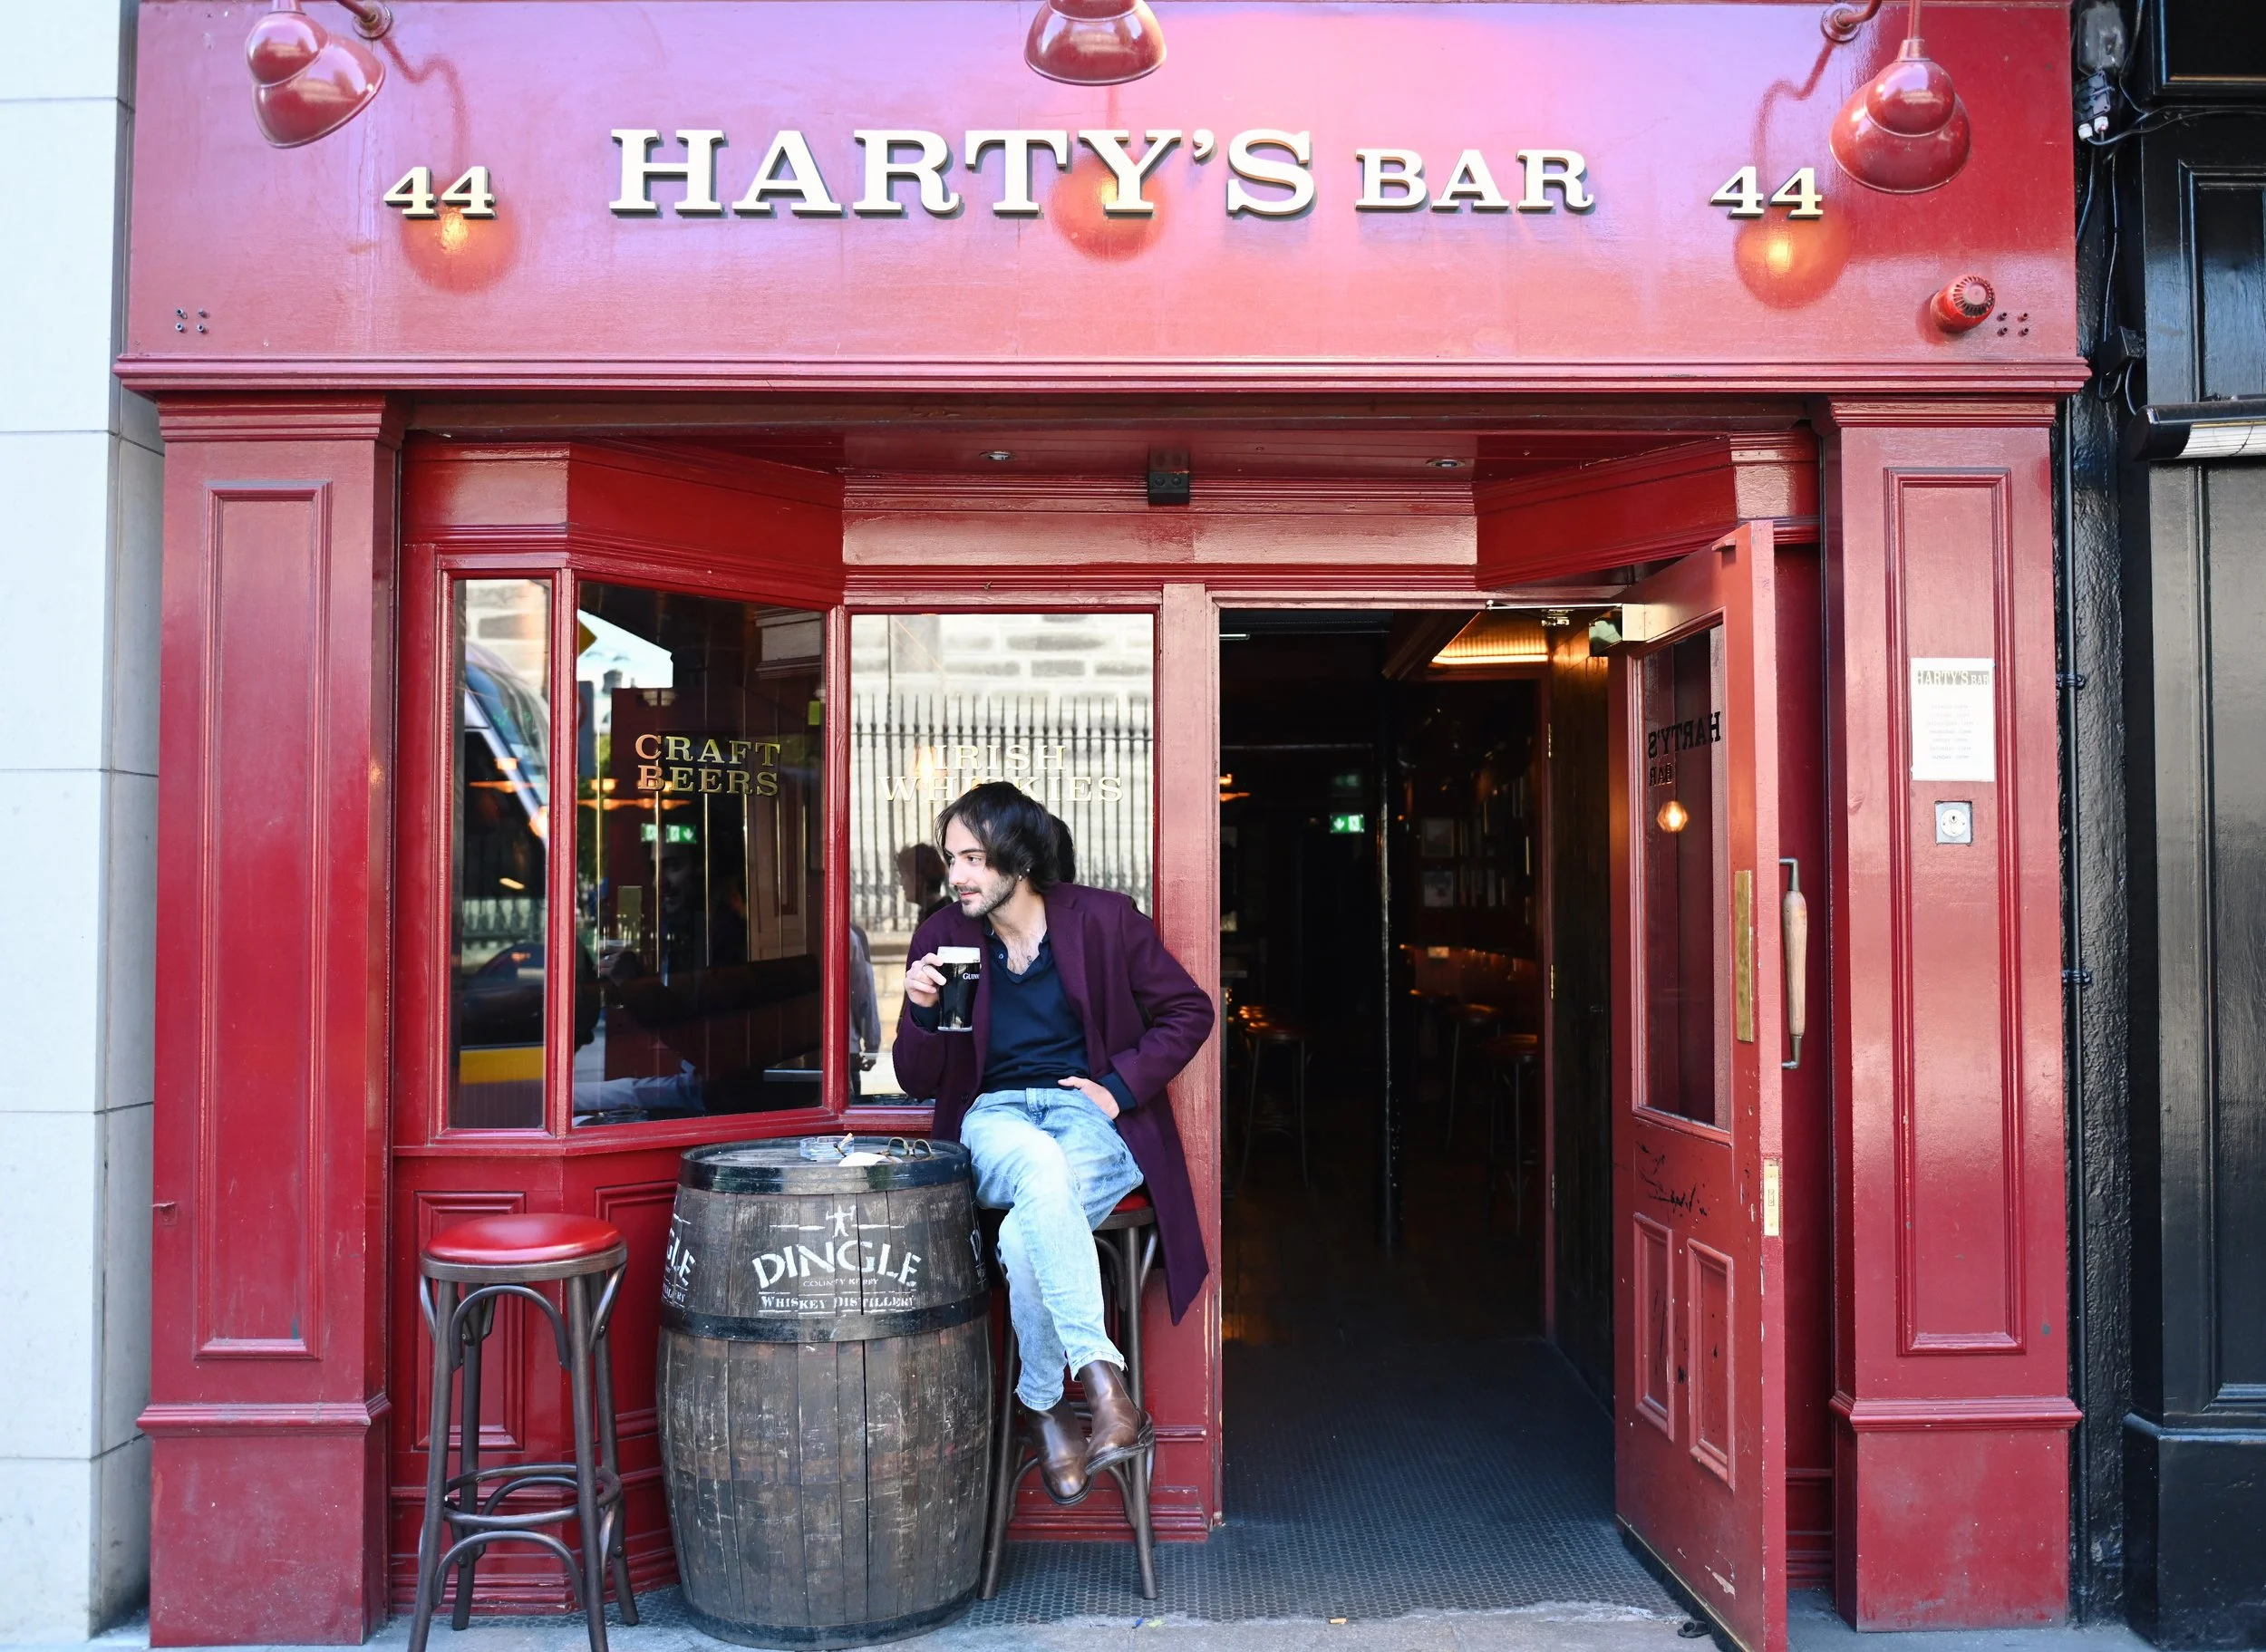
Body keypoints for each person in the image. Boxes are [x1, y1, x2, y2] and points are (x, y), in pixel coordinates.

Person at [894, 783, 1213, 1505]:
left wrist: (1120, 1085)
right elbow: (918, 1078)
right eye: (953, 859)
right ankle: (1106, 1387)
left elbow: (1190, 1009)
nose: (959, 875)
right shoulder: (943, 935)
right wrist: (916, 1014)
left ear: (1019, 857)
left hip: (1089, 1115)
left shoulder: (1101, 919)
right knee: (1039, 1169)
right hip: (995, 1118)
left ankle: (1042, 1400)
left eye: (974, 857)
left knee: (1028, 1231)